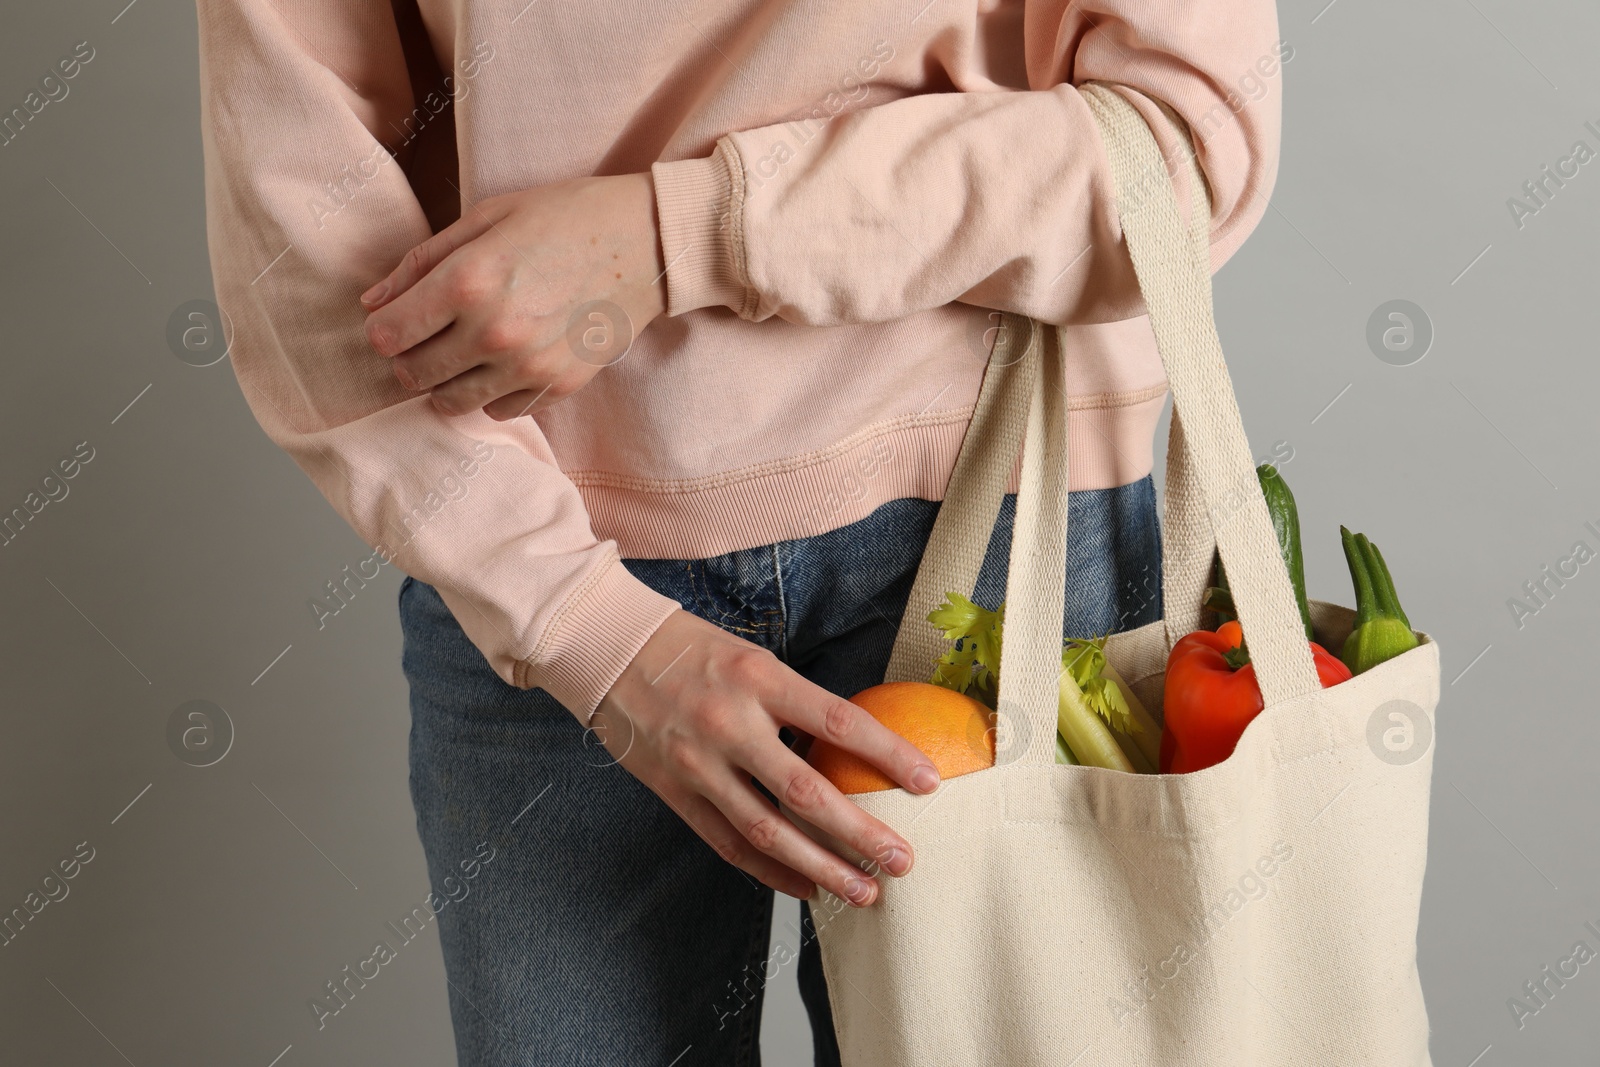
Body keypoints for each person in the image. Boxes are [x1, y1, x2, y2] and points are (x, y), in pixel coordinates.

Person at [194, 1, 1281, 1063]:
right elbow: (303, 229)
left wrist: (684, 235)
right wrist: (590, 628)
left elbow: (1186, 143)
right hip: (547, 552)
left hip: (1012, 519)